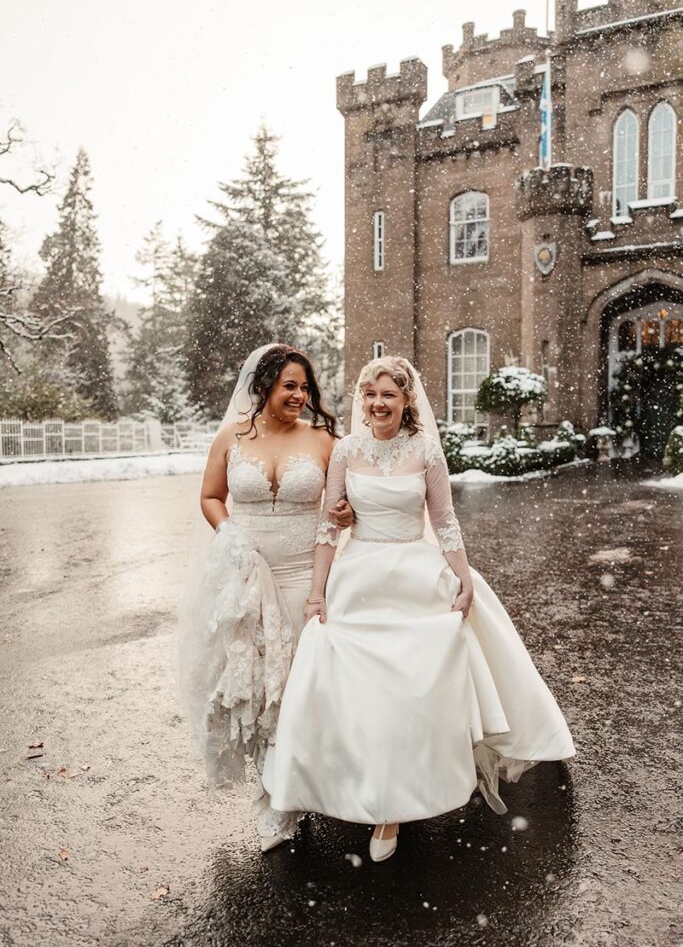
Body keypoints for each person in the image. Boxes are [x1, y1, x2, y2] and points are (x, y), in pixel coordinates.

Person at [263, 356, 575, 862]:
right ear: (361, 401)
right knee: (359, 690)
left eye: (388, 394)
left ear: (407, 400)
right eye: (370, 395)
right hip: (359, 574)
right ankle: (355, 787)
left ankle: (401, 798)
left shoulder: (426, 451)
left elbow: (445, 521)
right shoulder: (344, 451)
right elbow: (328, 526)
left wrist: (464, 576)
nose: (378, 403)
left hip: (414, 574)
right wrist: (317, 594)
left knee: (413, 688)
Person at [177, 344, 352, 852]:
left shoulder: (324, 442)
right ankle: (273, 790)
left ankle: (296, 787)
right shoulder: (231, 436)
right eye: (289, 386)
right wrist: (229, 534)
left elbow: (353, 499)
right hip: (244, 576)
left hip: (304, 576)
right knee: (255, 687)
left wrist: (345, 514)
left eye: (304, 387)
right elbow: (211, 496)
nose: (299, 395)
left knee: (299, 685)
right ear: (264, 389)